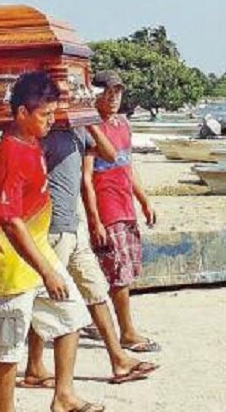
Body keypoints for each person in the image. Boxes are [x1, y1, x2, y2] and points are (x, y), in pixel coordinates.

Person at [0, 71, 101, 412]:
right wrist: (47, 270)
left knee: (72, 316)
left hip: (38, 257)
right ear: (21, 113)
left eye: (52, 114)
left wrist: (47, 268)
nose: (51, 121)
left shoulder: (32, 143)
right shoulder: (9, 153)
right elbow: (10, 220)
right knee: (8, 347)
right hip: (9, 266)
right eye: (44, 115)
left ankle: (63, 395)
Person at [21, 123, 159, 388]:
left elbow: (110, 155)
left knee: (96, 290)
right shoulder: (42, 131)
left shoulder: (79, 130)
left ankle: (118, 359)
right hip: (50, 228)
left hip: (73, 227)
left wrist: (93, 125)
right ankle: (34, 365)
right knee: (47, 298)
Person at [86, 70, 160, 353]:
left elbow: (128, 167)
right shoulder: (90, 128)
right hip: (107, 207)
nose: (113, 97)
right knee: (119, 272)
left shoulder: (122, 125)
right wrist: (94, 219)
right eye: (107, 92)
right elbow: (86, 180)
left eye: (117, 92)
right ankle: (127, 331)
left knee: (123, 267)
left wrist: (144, 200)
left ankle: (96, 320)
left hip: (125, 206)